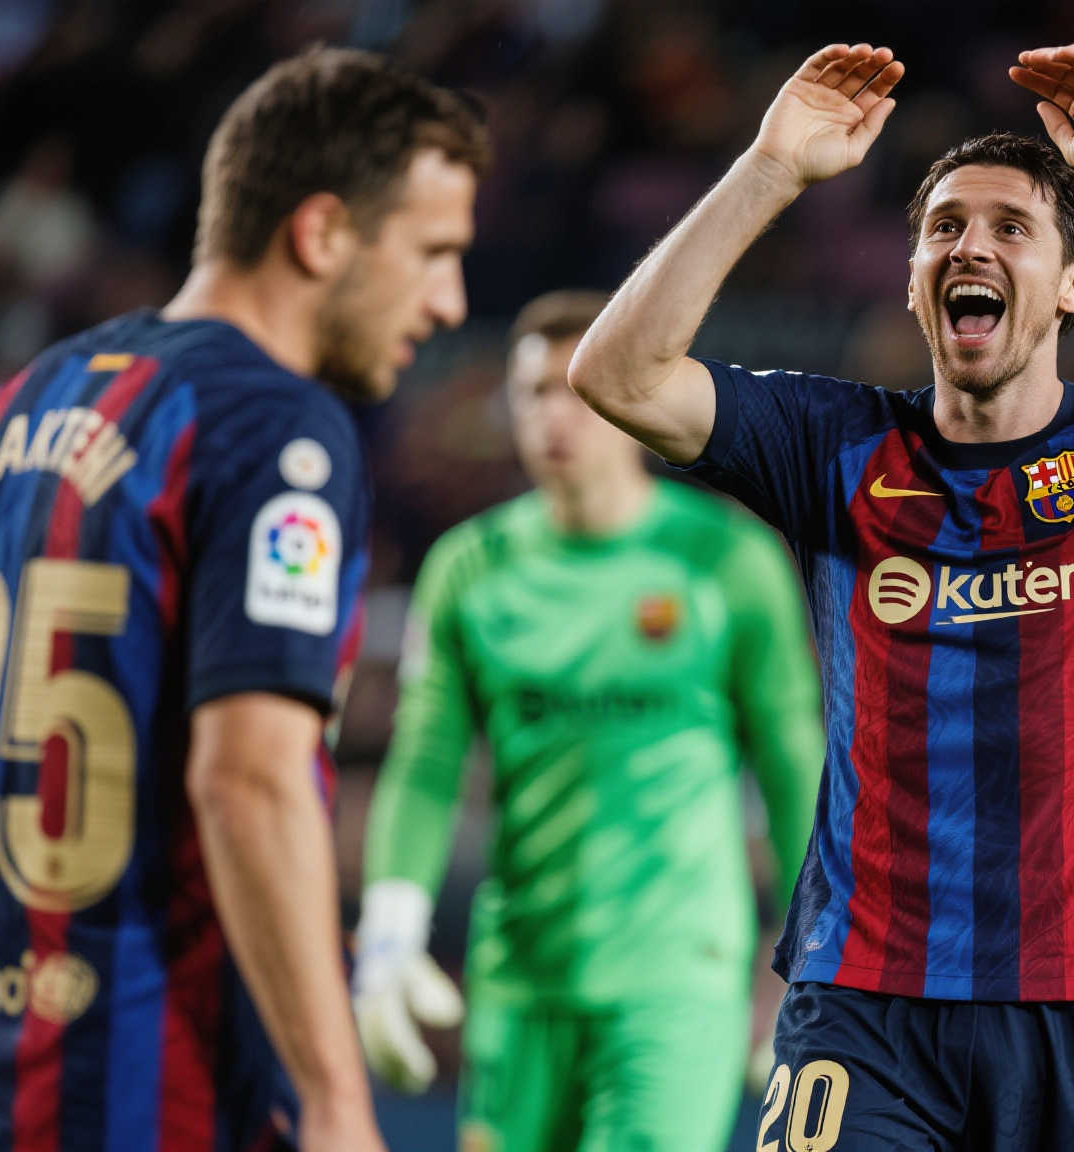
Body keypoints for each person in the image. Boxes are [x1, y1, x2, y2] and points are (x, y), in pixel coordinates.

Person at [566, 39, 1074, 1151]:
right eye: (942, 228)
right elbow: (616, 375)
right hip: (865, 996)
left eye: (1009, 229)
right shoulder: (832, 444)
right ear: (912, 283)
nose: (968, 246)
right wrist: (770, 169)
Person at [0, 46, 484, 1152]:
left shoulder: (12, 408)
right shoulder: (270, 426)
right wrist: (336, 1100)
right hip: (150, 1091)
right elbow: (249, 779)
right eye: (433, 252)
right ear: (321, 232)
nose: (449, 302)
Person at [351, 289, 824, 1152]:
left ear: (631, 398)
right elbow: (426, 763)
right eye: (533, 393)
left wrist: (811, 960)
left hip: (677, 981)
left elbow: (796, 768)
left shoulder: (726, 560)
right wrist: (389, 930)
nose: (554, 417)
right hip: (520, 979)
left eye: (578, 390)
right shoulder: (471, 569)